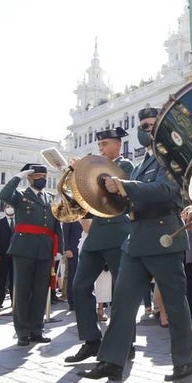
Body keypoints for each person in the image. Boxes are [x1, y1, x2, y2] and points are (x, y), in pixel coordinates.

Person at [78, 108, 192, 383]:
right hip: (137, 238)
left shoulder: (174, 156)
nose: (148, 129)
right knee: (122, 303)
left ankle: (184, 361)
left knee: (175, 304)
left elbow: (167, 192)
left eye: (153, 124)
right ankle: (111, 361)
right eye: (143, 125)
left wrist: (124, 186)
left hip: (163, 235)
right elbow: (129, 197)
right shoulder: (143, 161)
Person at [66, 128, 134, 362]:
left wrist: (84, 170)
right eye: (100, 145)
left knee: (122, 291)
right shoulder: (96, 167)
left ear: (118, 146)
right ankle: (91, 340)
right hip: (96, 235)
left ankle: (126, 342)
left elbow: (112, 188)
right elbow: (85, 199)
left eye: (105, 144)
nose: (101, 148)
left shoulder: (125, 165)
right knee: (80, 286)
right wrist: (77, 177)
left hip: (118, 233)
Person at [0, 163, 63, 347]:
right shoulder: (20, 196)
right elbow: (3, 195)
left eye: (44, 175)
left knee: (41, 291)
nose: (42, 178)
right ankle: (22, 331)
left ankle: (37, 329)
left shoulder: (50, 198)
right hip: (24, 248)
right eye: (37, 176)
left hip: (45, 249)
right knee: (23, 290)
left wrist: (59, 248)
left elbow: (56, 226)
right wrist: (18, 177)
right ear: (29, 177)